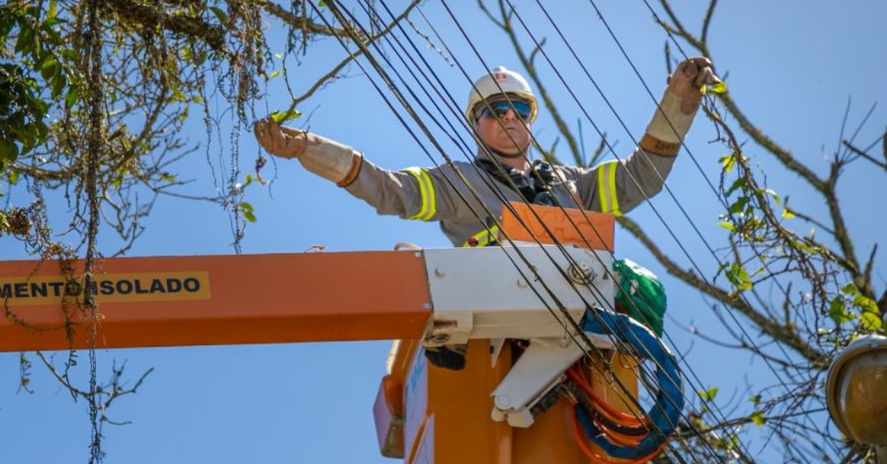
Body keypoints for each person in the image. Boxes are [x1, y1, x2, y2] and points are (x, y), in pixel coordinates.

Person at [254, 58, 718, 369]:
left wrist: (678, 106)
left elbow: (642, 178)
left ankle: (624, 364)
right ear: (476, 125)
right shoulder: (459, 181)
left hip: (580, 310)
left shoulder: (570, 183)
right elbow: (389, 189)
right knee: (415, 262)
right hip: (503, 311)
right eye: (495, 110)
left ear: (530, 119)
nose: (509, 117)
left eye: (518, 108)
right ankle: (448, 338)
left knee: (642, 285)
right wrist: (309, 149)